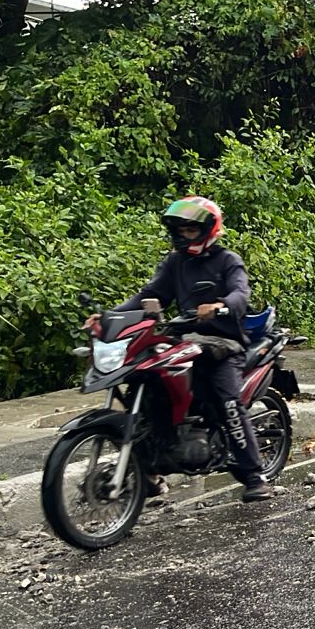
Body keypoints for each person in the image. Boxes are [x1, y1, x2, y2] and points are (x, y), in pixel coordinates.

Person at [104, 197, 272, 502]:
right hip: (184, 343)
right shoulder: (175, 263)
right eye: (180, 230)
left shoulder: (227, 261)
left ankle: (254, 475)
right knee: (147, 387)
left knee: (228, 401)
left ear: (208, 230)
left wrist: (220, 306)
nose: (183, 236)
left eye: (190, 230)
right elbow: (148, 295)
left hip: (224, 346)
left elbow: (240, 294)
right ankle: (149, 471)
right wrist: (108, 317)